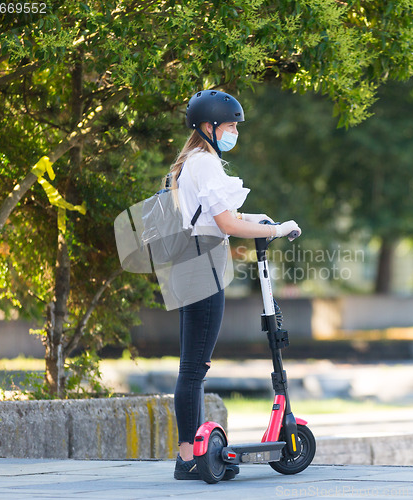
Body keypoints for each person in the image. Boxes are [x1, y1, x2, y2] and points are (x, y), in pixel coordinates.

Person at [172, 90, 301, 480]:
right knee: (195, 367)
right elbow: (226, 226)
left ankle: (188, 454)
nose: (233, 132)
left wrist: (255, 217)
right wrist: (277, 228)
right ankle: (188, 458)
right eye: (229, 125)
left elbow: (216, 215)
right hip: (204, 265)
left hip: (189, 263)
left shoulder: (192, 161)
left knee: (191, 366)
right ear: (208, 127)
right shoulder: (206, 164)